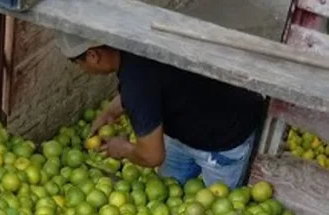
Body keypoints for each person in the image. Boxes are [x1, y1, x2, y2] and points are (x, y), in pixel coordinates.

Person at [56, 32, 265, 189]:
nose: (83, 70)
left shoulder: (136, 86)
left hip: (224, 138)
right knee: (165, 190)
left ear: (92, 55)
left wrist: (123, 149)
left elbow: (152, 156)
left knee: (217, 211)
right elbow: (155, 86)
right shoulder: (135, 48)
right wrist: (109, 112)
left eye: (78, 64)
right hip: (186, 128)